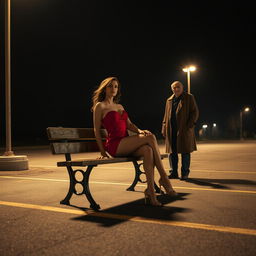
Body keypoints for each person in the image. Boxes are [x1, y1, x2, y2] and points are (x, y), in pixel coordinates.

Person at [92, 77, 177, 206]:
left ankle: (150, 191)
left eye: (115, 86)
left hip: (125, 142)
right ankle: (164, 178)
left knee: (148, 150)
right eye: (110, 86)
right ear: (104, 88)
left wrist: (140, 131)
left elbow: (130, 124)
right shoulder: (100, 106)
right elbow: (96, 130)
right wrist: (103, 152)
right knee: (150, 137)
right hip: (115, 145)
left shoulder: (120, 106)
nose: (113, 89)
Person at [162, 81, 199, 180]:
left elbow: (195, 112)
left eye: (178, 87)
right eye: (174, 88)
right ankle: (173, 172)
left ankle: (185, 173)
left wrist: (190, 126)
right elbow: (166, 116)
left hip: (184, 130)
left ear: (182, 88)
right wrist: (164, 127)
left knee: (185, 152)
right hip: (171, 130)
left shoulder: (189, 97)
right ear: (172, 89)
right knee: (172, 153)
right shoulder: (169, 100)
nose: (176, 89)